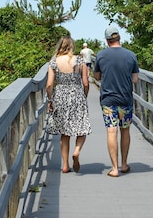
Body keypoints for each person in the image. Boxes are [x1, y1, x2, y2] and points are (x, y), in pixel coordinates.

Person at [92, 25, 139, 177]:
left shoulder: (101, 55)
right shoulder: (131, 55)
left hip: (108, 99)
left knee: (111, 131)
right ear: (119, 38)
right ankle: (124, 164)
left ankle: (114, 168)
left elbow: (97, 77)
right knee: (125, 130)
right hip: (125, 99)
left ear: (107, 40)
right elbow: (135, 79)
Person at [46, 36, 92, 173]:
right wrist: (84, 95)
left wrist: (50, 100)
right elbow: (86, 83)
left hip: (60, 95)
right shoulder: (80, 60)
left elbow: (49, 84)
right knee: (82, 127)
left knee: (64, 133)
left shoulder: (54, 62)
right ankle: (76, 151)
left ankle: (65, 165)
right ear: (72, 46)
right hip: (77, 94)